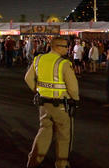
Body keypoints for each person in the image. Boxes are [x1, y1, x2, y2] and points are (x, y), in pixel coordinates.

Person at [25, 38, 79, 168]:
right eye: (66, 46)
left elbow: (27, 78)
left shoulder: (38, 60)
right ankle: (62, 163)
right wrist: (76, 100)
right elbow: (73, 88)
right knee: (64, 135)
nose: (67, 49)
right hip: (61, 105)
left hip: (43, 104)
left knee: (44, 131)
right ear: (57, 47)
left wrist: (38, 90)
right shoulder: (63, 63)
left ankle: (33, 161)